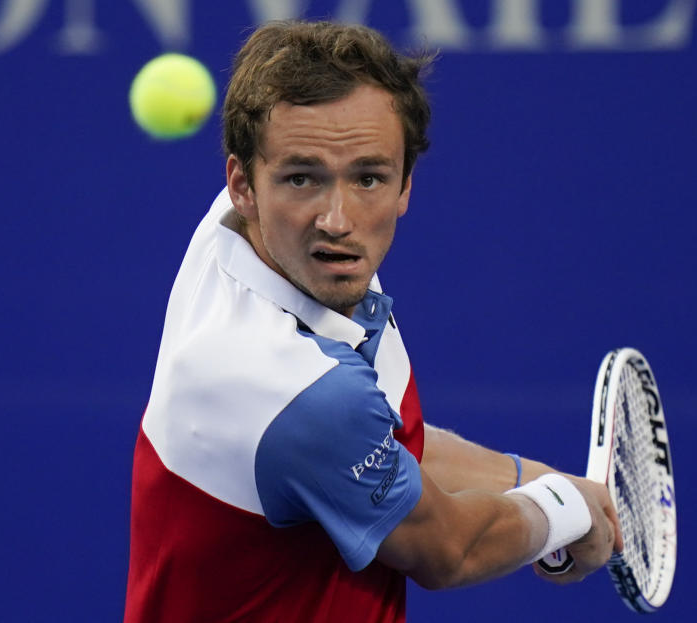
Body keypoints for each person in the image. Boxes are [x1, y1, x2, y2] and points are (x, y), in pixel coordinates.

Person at [124, 20, 622, 623]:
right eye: (302, 178)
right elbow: (448, 549)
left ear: (405, 183)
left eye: (368, 178)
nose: (338, 219)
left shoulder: (263, 243)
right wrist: (562, 512)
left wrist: (535, 477)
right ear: (243, 185)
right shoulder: (290, 388)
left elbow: (385, 450)